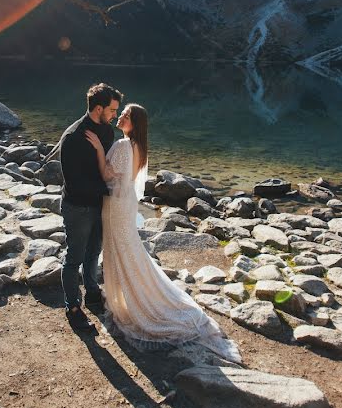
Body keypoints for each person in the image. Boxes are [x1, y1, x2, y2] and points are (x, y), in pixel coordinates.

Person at [84, 104, 242, 363]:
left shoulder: (124, 146)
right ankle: (132, 298)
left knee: (121, 251)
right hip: (123, 207)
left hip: (115, 207)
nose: (121, 116)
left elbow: (107, 174)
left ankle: (135, 305)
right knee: (128, 250)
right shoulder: (138, 147)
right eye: (121, 113)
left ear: (134, 123)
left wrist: (99, 149)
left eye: (126, 115)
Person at [59, 83, 122, 332]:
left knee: (93, 252)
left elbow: (106, 168)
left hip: (100, 205)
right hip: (78, 207)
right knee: (74, 258)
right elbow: (74, 183)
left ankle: (93, 293)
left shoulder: (106, 132)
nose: (115, 115)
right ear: (98, 108)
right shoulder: (73, 136)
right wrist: (106, 189)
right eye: (112, 110)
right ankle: (72, 307)